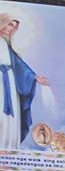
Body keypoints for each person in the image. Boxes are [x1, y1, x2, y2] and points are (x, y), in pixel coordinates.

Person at [0, 14, 49, 151]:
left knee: (10, 116)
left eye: (14, 27)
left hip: (9, 82)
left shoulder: (8, 45)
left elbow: (19, 65)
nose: (11, 29)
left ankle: (7, 146)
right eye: (10, 24)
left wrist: (34, 77)